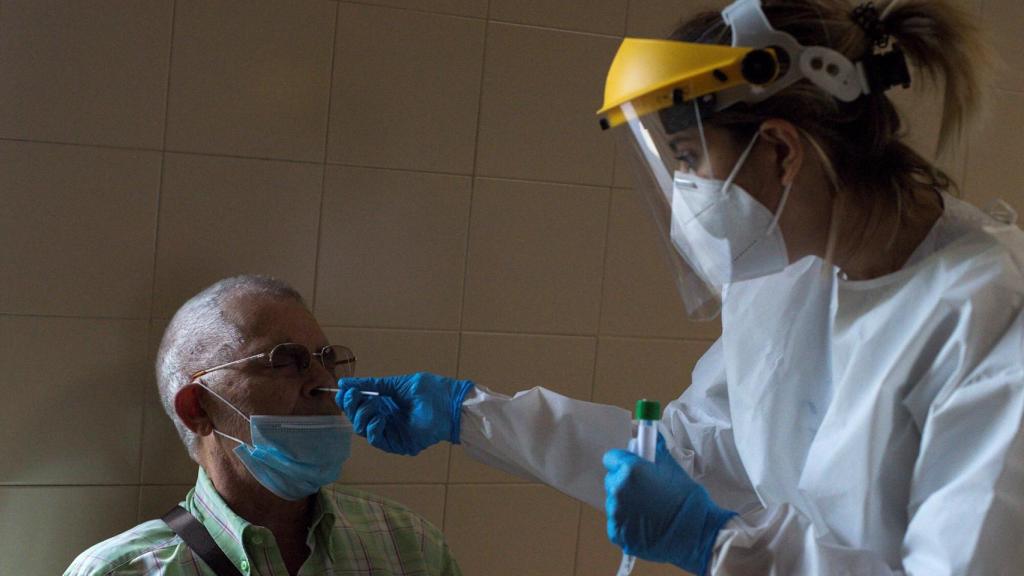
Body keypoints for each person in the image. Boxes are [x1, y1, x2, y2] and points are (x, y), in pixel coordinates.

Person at [335, 0, 1024, 574]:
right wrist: (473, 416)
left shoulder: (989, 315)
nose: (685, 193)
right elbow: (692, 451)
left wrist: (718, 546)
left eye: (690, 159)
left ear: (782, 151)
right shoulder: (793, 279)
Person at [65, 276, 462, 576]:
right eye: (286, 360)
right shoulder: (122, 571)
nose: (326, 385)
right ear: (197, 408)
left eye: (327, 359)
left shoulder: (409, 546)